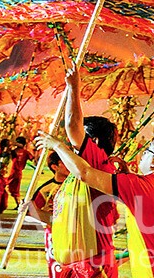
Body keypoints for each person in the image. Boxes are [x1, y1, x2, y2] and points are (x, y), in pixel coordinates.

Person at [38, 130, 154, 278]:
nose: (142, 155)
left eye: (147, 151)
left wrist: (58, 146)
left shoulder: (140, 187)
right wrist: (130, 175)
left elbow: (84, 173)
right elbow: (150, 193)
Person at [47, 64, 120, 278]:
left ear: (94, 142)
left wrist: (74, 87)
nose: (71, 145)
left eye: (81, 139)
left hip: (93, 267)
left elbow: (72, 125)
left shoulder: (97, 162)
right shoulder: (85, 169)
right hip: (78, 263)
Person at [7, 135, 33, 210]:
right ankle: (18, 203)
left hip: (13, 172)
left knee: (11, 189)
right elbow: (33, 159)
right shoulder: (24, 152)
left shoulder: (14, 151)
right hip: (17, 173)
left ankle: (19, 203)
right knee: (13, 189)